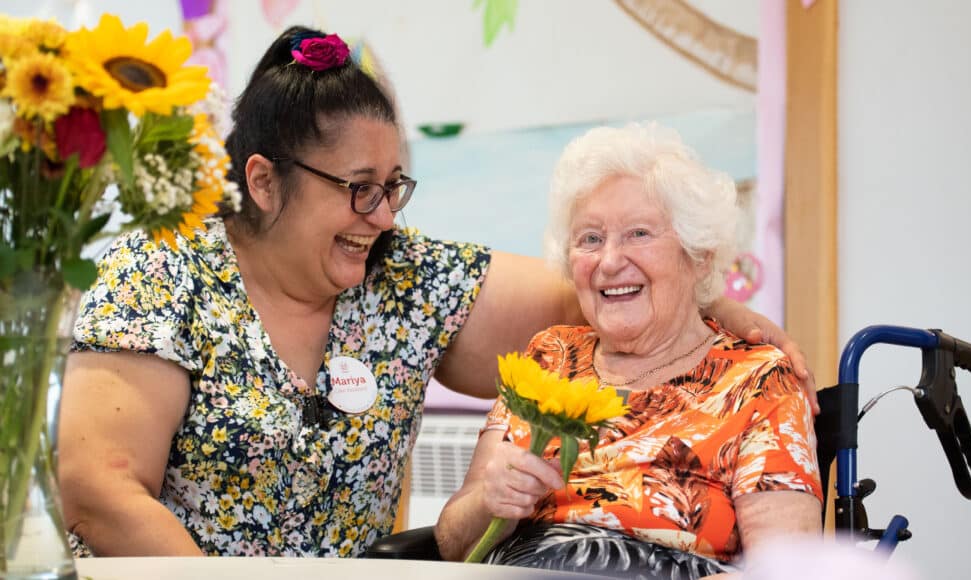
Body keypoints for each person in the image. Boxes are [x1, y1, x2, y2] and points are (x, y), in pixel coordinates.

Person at [57, 26, 813, 558]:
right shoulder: (160, 274)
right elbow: (99, 488)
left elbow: (599, 293)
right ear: (263, 181)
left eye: (393, 187)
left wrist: (712, 304)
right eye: (358, 190)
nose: (383, 216)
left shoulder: (407, 276)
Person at [434, 124, 823, 578]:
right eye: (591, 239)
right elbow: (451, 544)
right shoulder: (549, 358)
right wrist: (488, 501)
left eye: (639, 234)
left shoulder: (758, 381)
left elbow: (788, 570)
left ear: (698, 256)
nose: (610, 261)